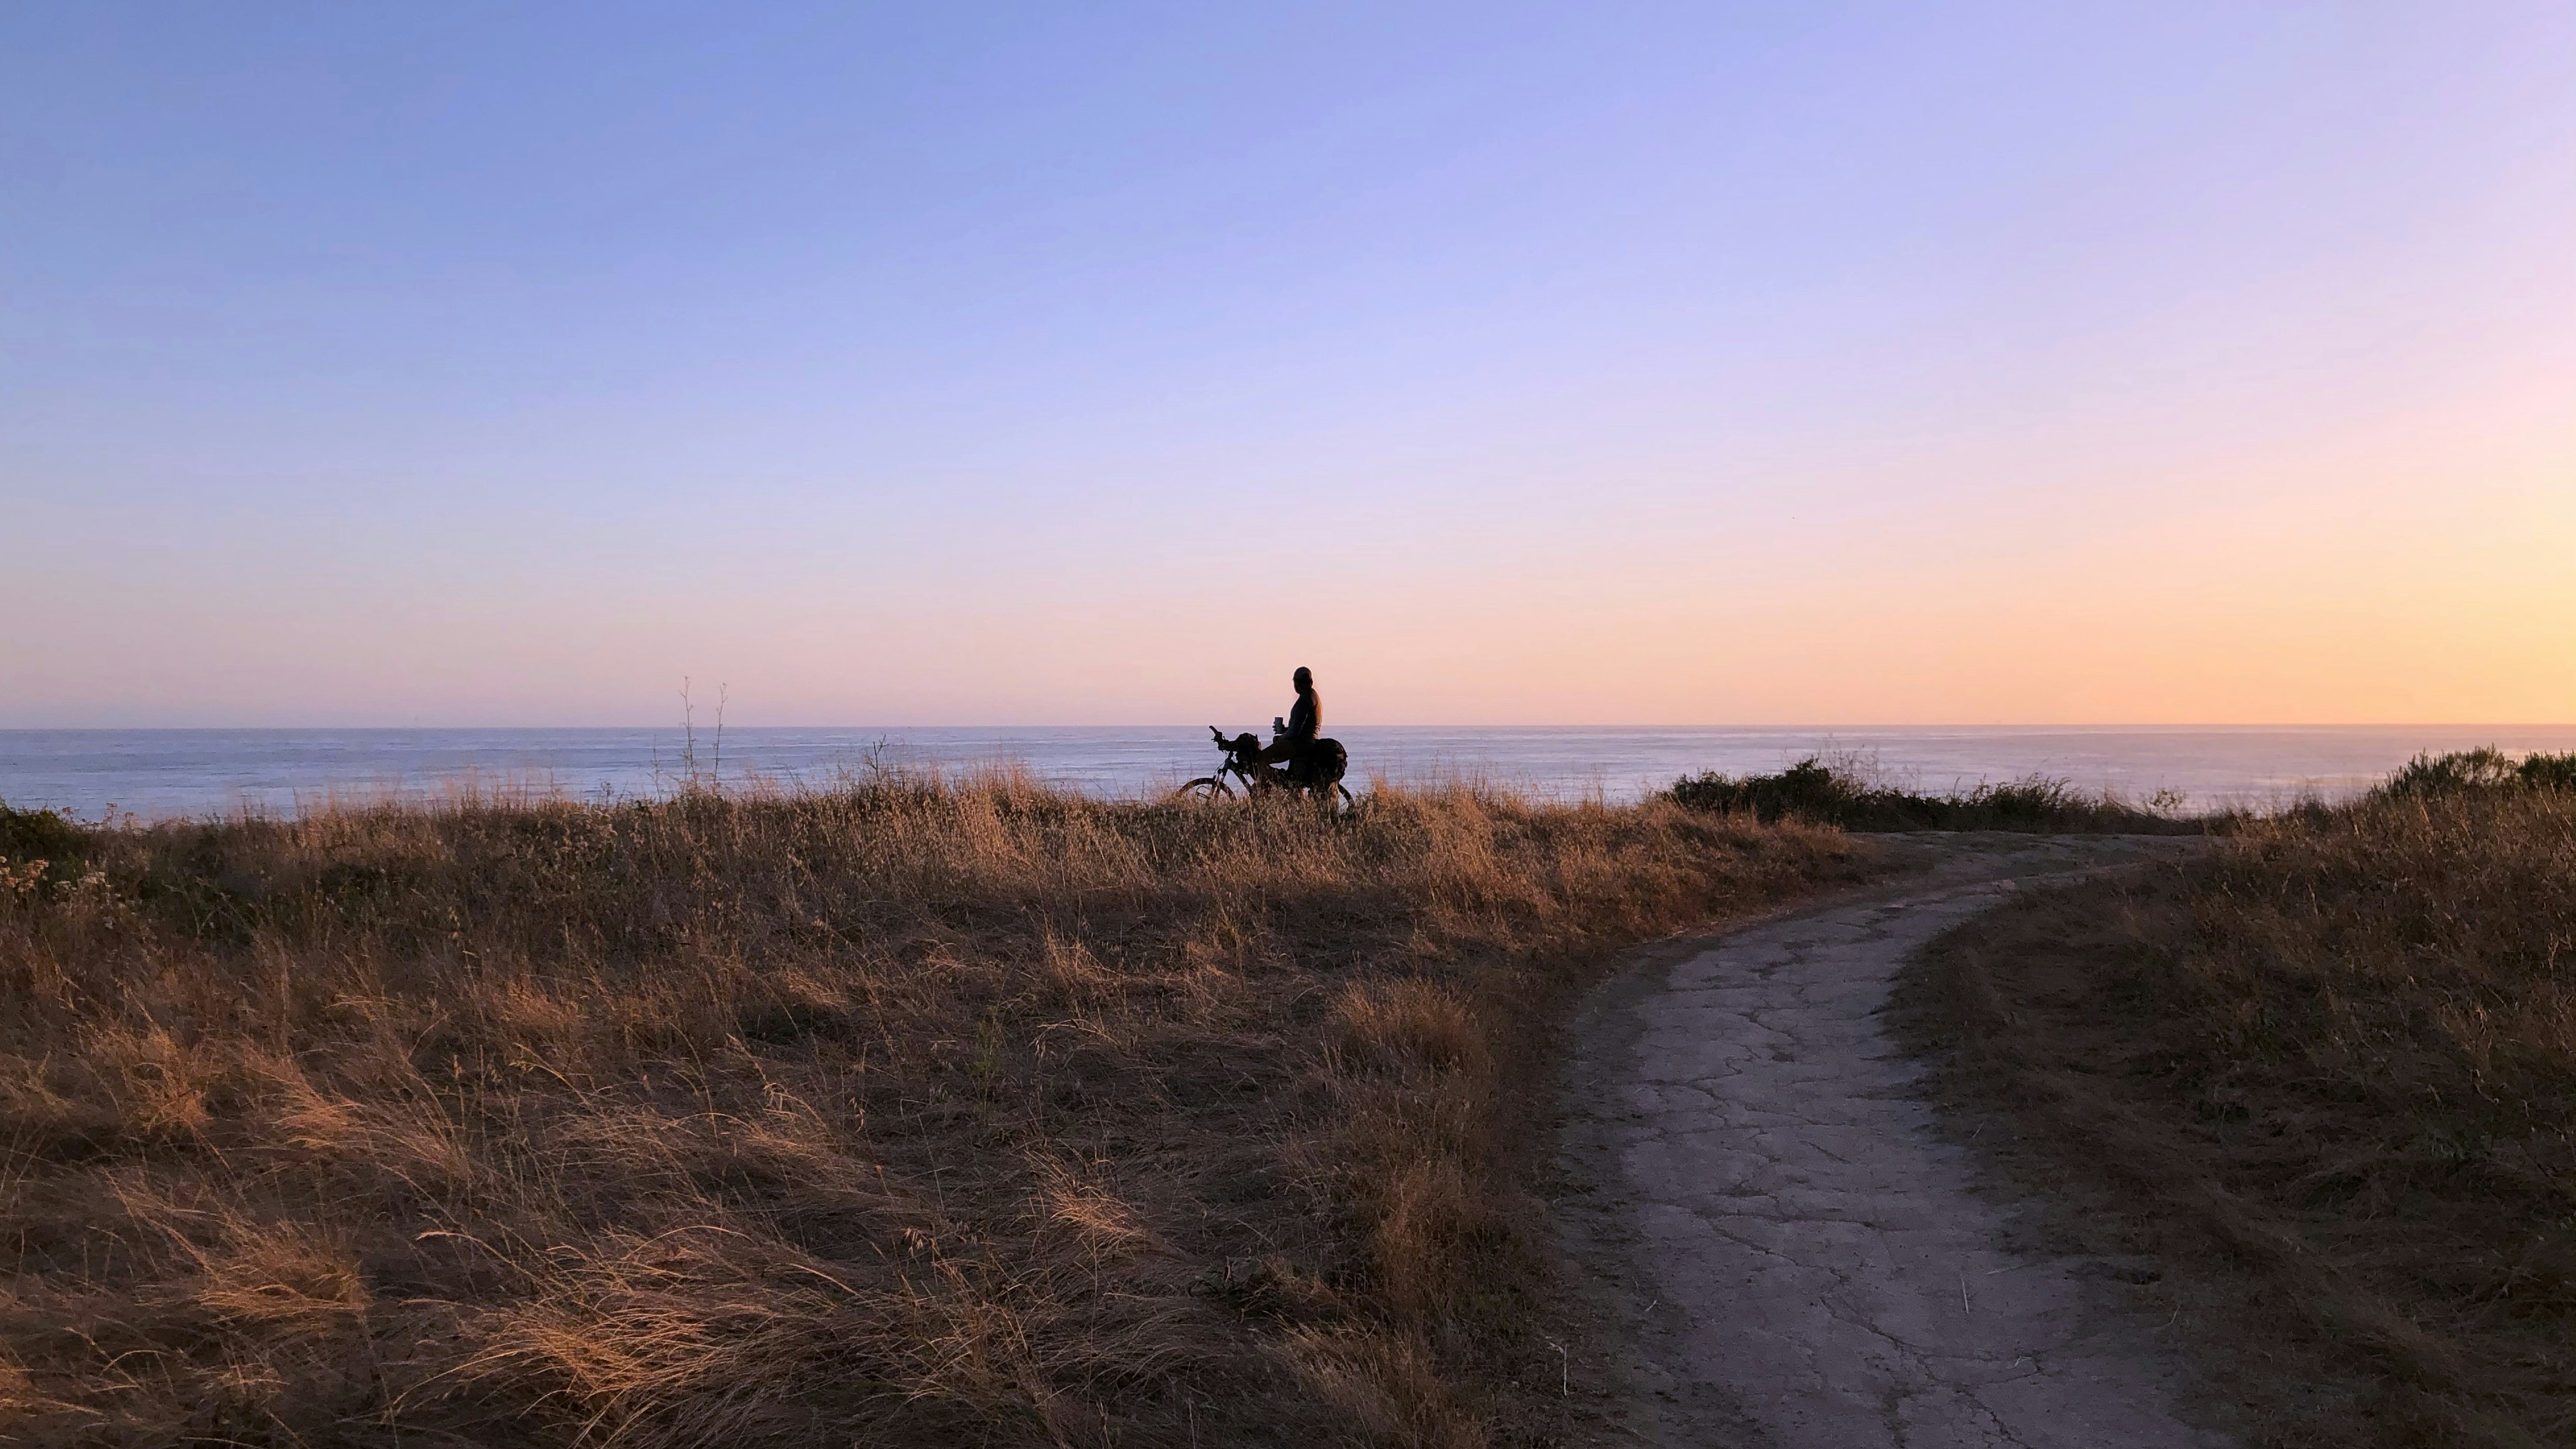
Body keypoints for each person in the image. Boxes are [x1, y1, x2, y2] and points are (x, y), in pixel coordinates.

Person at [1258, 666, 1320, 779]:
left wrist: (1281, 737)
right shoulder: (1312, 696)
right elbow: (1301, 727)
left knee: (1261, 759)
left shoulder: (1304, 700)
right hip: (1308, 741)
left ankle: (1278, 784)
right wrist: (1284, 730)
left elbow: (1295, 732)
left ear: (1296, 683)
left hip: (1300, 744)